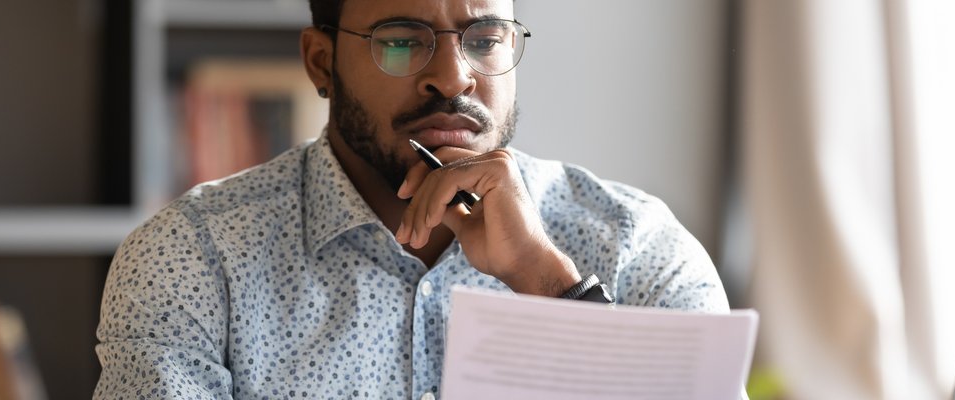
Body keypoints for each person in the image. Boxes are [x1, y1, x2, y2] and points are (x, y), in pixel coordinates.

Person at [93, 0, 729, 398]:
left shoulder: (635, 246)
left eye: (484, 39)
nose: (454, 77)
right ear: (321, 62)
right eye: (401, 39)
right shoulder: (193, 259)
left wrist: (547, 283)